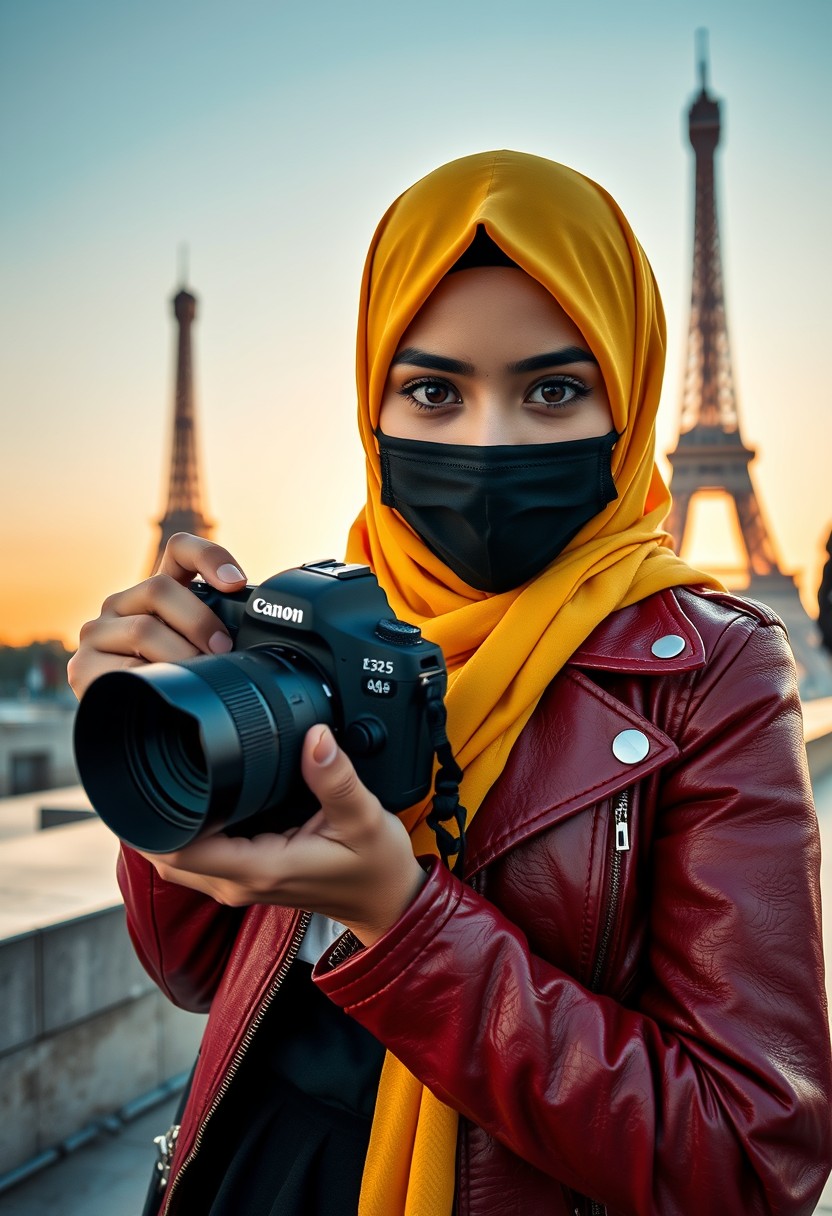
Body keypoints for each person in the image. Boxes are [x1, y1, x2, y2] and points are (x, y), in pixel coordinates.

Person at [68, 150, 832, 1216]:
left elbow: (755, 1163)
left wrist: (402, 919)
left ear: (630, 393)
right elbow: (196, 972)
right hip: (252, 1173)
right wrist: (166, 748)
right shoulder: (325, 619)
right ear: (371, 395)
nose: (486, 441)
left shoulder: (709, 674)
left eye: (553, 389)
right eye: (432, 389)